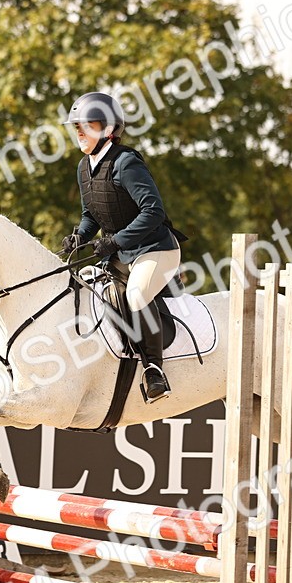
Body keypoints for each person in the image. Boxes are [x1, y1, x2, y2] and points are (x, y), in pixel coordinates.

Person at [60, 92, 186, 403]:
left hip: (155, 249)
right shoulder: (83, 167)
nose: (79, 132)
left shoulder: (126, 162)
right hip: (119, 253)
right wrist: (80, 237)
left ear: (108, 130)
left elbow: (153, 211)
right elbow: (91, 214)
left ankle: (154, 371)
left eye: (86, 125)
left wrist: (116, 241)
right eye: (76, 126)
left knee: (136, 294)